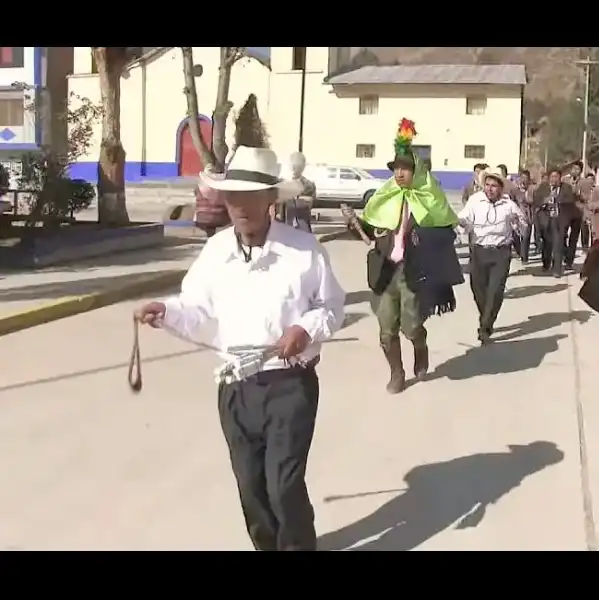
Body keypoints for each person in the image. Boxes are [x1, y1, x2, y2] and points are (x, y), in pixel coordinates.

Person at [134, 146, 346, 551]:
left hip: (290, 385)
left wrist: (304, 327)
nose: (240, 207)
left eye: (250, 197)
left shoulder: (305, 251)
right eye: (233, 197)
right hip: (236, 387)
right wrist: (165, 310)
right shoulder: (215, 253)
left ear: (271, 201)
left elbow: (331, 306)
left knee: (283, 484)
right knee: (251, 486)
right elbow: (194, 308)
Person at [344, 118, 463, 394]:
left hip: (414, 273)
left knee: (411, 326)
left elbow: (445, 234)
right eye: (396, 169)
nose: (399, 173)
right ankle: (397, 373)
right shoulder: (385, 197)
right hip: (386, 272)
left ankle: (420, 347)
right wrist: (355, 225)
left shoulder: (430, 198)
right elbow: (370, 230)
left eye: (405, 169)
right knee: (387, 329)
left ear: (416, 171)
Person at [457, 167, 527, 344]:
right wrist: (461, 225)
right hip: (479, 250)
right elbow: (463, 219)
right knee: (478, 290)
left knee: (495, 291)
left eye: (494, 186)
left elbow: (524, 227)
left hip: (501, 253)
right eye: (487, 185)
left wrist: (517, 223)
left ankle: (485, 327)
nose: (489, 188)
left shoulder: (509, 205)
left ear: (501, 188)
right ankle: (486, 316)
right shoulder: (475, 200)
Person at [532, 167, 579, 277]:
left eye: (557, 177)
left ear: (560, 178)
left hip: (560, 219)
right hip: (545, 218)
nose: (554, 179)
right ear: (549, 178)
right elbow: (536, 200)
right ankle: (546, 262)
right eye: (552, 177)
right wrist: (546, 200)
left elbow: (570, 200)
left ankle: (557, 269)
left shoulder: (566, 188)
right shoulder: (543, 187)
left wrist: (558, 200)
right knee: (547, 244)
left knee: (558, 244)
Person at [275, 151, 317, 232]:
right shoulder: (282, 184)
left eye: (297, 166)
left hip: (301, 228)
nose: (294, 169)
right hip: (285, 228)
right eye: (292, 166)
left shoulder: (308, 185)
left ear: (302, 167)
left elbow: (309, 204)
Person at [563, 160, 593, 252]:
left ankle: (570, 258)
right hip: (565, 211)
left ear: (581, 171)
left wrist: (579, 195)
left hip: (578, 212)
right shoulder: (565, 180)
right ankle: (564, 251)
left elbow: (587, 198)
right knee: (562, 233)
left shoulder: (585, 182)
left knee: (574, 236)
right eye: (573, 168)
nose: (574, 171)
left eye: (577, 169)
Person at [510, 169, 537, 262]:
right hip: (517, 217)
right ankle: (519, 251)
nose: (524, 180)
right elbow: (511, 201)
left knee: (526, 237)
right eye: (522, 177)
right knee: (515, 236)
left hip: (528, 216)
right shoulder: (514, 189)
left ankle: (524, 258)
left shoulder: (532, 189)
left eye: (526, 178)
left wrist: (529, 201)